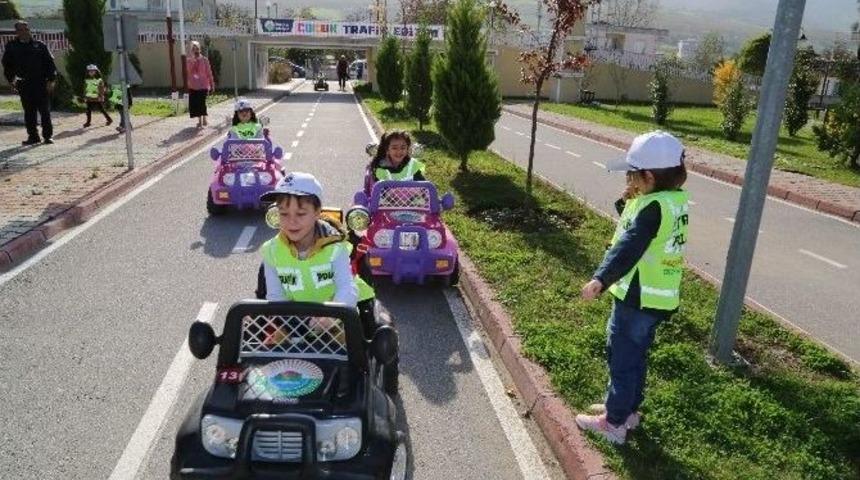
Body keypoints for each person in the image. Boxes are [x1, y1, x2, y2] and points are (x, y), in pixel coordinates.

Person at [574, 131, 689, 445]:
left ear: (648, 177)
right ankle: (627, 410)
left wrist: (601, 278)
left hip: (636, 298)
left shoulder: (651, 208)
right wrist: (626, 200)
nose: (629, 178)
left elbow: (628, 246)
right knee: (635, 357)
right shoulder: (670, 201)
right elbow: (634, 226)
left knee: (622, 358)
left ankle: (613, 424)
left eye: (632, 174)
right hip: (657, 298)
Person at [258, 172, 382, 338]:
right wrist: (294, 324)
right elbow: (275, 296)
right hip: (293, 318)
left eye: (301, 214)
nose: (291, 221)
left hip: (336, 316)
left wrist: (330, 318)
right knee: (262, 347)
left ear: (317, 212)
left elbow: (346, 288)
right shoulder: (271, 250)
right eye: (283, 213)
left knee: (376, 336)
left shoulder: (336, 247)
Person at [1, 19, 57, 145]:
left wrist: (51, 80)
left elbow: (50, 63)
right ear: (17, 32)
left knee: (45, 111)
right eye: (21, 30)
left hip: (41, 84)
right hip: (24, 84)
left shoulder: (39, 45)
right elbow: (7, 65)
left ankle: (48, 136)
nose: (25, 32)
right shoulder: (12, 46)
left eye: (26, 29)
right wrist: (11, 81)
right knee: (29, 112)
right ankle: (33, 137)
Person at [365, 130, 426, 195]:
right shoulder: (379, 167)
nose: (399, 151)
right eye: (394, 148)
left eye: (403, 148)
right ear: (387, 149)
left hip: (412, 203)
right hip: (383, 203)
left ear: (407, 149)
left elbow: (423, 187)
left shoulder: (413, 165)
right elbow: (376, 190)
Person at [185, 40, 215, 128]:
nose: (195, 50)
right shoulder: (189, 60)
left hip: (203, 85)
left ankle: (203, 120)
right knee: (196, 104)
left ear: (200, 50)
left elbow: (209, 73)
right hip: (194, 86)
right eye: (193, 49)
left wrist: (212, 84)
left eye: (197, 48)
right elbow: (189, 72)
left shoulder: (205, 60)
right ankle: (200, 120)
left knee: (201, 102)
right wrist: (193, 61)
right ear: (191, 51)